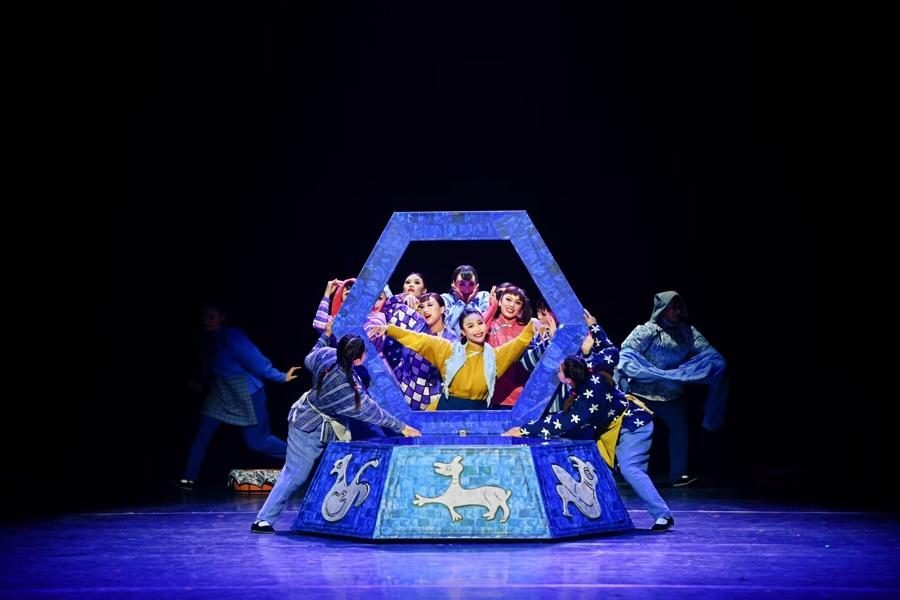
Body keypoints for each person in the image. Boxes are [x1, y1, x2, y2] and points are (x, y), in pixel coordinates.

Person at [503, 309, 675, 531]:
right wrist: (594, 326)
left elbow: (561, 422)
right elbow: (611, 351)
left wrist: (525, 430)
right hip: (612, 428)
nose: (557, 371)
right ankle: (606, 515)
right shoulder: (592, 367)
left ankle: (662, 514)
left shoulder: (586, 402)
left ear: (567, 380)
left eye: (559, 370)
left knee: (631, 468)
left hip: (633, 425)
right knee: (597, 468)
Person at [251, 332, 421, 533]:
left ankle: (339, 515)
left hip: (333, 426)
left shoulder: (327, 355)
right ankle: (263, 519)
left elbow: (311, 355)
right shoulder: (345, 389)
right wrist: (401, 427)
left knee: (346, 466)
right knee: (296, 473)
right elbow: (373, 412)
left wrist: (325, 335)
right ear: (358, 360)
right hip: (308, 425)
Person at [175, 303, 302, 491]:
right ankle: (188, 479)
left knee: (257, 442)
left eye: (211, 317)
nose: (206, 321)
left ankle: (301, 459)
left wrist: (281, 376)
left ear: (222, 319)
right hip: (221, 393)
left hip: (247, 392)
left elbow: (256, 362)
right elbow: (206, 365)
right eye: (204, 317)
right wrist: (200, 382)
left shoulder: (232, 338)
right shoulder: (204, 338)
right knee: (202, 434)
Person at [616, 291, 728, 487]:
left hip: (670, 394)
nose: (677, 312)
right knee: (635, 431)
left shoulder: (687, 332)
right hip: (642, 394)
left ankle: (678, 475)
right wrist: (648, 375)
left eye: (679, 308)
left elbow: (709, 355)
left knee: (680, 430)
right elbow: (626, 355)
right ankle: (629, 472)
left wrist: (682, 373)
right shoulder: (646, 331)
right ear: (662, 310)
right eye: (672, 308)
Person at [378, 308, 544, 410]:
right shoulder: (448, 350)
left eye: (480, 323)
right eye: (470, 326)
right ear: (463, 332)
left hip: (479, 417)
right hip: (446, 414)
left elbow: (518, 343)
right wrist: (390, 329)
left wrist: (533, 323)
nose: (477, 329)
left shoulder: (495, 357)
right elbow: (419, 340)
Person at [382, 292, 458, 411]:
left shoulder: (451, 340)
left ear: (442, 309)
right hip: (400, 390)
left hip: (428, 399)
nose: (425, 310)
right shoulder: (415, 322)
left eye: (430, 305)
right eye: (422, 306)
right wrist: (406, 296)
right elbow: (389, 307)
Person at [440, 265, 492, 336]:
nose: (466, 290)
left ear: (476, 285)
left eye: (471, 284)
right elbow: (448, 327)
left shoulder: (483, 296)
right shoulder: (445, 299)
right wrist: (461, 303)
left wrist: (469, 303)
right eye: (462, 284)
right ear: (454, 284)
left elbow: (483, 324)